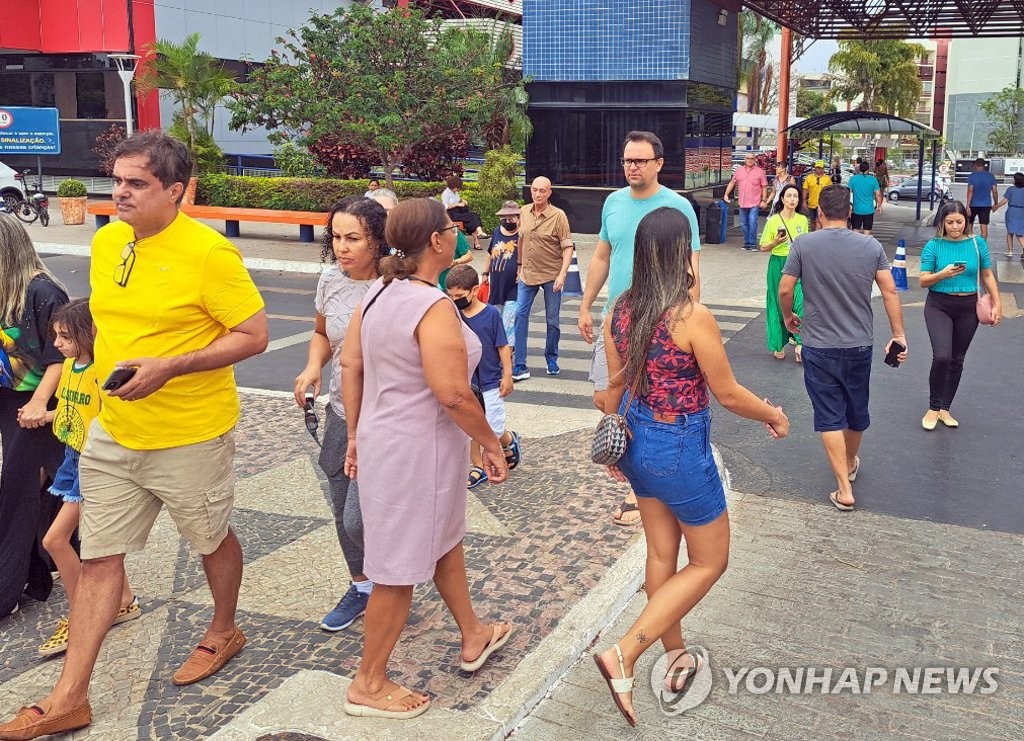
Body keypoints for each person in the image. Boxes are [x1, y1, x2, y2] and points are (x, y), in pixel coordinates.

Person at [0, 131, 268, 740]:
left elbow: (253, 335)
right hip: (113, 431)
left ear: (176, 191)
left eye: (136, 183)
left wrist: (169, 365)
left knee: (209, 538)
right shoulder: (108, 240)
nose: (120, 192)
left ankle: (224, 627)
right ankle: (70, 697)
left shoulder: (209, 255)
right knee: (97, 558)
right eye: (117, 179)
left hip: (189, 433)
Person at [592, 207, 789, 728]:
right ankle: (627, 652)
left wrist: (614, 439)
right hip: (678, 445)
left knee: (662, 552)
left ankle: (672, 651)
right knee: (709, 562)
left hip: (635, 436)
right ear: (681, 253)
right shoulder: (689, 315)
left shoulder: (622, 307)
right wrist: (773, 414)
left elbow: (615, 385)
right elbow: (726, 393)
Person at [340, 198, 511, 720]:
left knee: (442, 541)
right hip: (417, 451)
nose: (457, 235)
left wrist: (353, 434)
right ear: (437, 242)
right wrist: (492, 442)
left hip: (391, 441)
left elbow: (353, 362)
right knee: (396, 568)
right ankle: (368, 682)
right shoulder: (431, 306)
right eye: (450, 229)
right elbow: (454, 394)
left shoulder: (379, 291)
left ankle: (473, 633)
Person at [577, 130, 702, 528]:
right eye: (627, 160)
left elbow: (691, 267)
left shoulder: (678, 207)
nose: (632, 167)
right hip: (618, 319)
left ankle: (638, 484)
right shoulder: (613, 203)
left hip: (661, 323)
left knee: (644, 402)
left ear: (658, 164)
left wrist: (691, 320)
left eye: (640, 161)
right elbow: (601, 255)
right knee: (605, 397)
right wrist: (586, 304)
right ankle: (637, 467)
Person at [779, 185, 907, 512]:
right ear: (850, 213)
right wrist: (898, 335)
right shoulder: (870, 245)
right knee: (855, 410)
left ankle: (843, 488)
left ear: (819, 212)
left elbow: (784, 289)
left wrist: (788, 316)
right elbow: (890, 291)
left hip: (819, 345)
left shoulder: (804, 244)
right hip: (859, 344)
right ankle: (849, 461)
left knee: (829, 415)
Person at [294, 197, 388, 632]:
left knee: (359, 518)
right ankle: (363, 586)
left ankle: (394, 581)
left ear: (379, 240)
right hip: (339, 411)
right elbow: (320, 333)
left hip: (384, 418)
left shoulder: (395, 286)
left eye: (353, 238)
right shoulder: (331, 280)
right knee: (339, 506)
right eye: (336, 237)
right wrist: (314, 366)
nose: (342, 247)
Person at [39, 299, 140, 658]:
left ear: (88, 333)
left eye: (65, 336)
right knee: (97, 541)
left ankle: (82, 612)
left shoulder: (102, 371)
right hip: (70, 458)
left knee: (55, 540)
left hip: (92, 461)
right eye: (56, 336)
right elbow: (73, 409)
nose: (57, 343)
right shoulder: (70, 366)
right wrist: (47, 415)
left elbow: (111, 414)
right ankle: (123, 600)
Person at [0, 215, 68, 620]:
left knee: (19, 489)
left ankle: (7, 587)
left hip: (40, 403)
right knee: (43, 485)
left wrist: (40, 403)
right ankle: (46, 562)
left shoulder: (43, 292)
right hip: (10, 399)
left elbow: (61, 353)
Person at [918, 200, 1003, 431]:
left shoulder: (978, 243)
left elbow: (987, 275)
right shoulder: (933, 246)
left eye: (959, 222)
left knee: (957, 359)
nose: (955, 227)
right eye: (949, 222)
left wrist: (998, 303)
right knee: (942, 356)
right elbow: (923, 280)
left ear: (966, 221)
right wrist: (942, 274)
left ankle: (945, 407)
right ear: (942, 223)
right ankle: (933, 406)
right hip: (939, 305)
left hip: (968, 307)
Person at [445, 264, 521, 488]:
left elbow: (502, 346)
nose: (455, 300)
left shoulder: (490, 314)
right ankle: (478, 466)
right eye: (451, 296)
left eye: (459, 296)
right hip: (467, 383)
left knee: (493, 429)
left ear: (474, 290)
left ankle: (508, 440)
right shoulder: (453, 315)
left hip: (489, 382)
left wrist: (508, 375)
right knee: (469, 429)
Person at [511, 176, 574, 380]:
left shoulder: (558, 216)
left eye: (542, 191)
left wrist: (563, 274)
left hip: (551, 274)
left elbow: (567, 247)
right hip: (528, 274)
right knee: (520, 315)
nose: (538, 194)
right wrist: (519, 266)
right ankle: (519, 364)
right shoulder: (524, 211)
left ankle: (551, 358)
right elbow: (520, 240)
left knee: (552, 319)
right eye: (535, 190)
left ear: (549, 193)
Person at [759, 184, 808, 362]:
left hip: (797, 265)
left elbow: (805, 245)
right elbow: (763, 247)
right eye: (789, 196)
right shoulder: (773, 221)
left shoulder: (803, 220)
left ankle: (801, 342)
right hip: (777, 264)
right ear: (782, 199)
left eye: (795, 196)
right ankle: (778, 344)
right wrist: (775, 242)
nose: (792, 199)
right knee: (777, 303)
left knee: (800, 302)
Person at [483, 200, 521, 348]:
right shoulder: (497, 231)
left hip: (514, 285)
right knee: (495, 319)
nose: (508, 221)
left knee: (509, 321)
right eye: (505, 218)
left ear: (518, 217)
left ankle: (508, 353)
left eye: (511, 218)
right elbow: (489, 253)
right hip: (496, 284)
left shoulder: (522, 235)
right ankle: (497, 350)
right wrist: (485, 274)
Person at [723, 152, 769, 251]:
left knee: (752, 222)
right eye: (748, 158)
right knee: (743, 224)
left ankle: (752, 244)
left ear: (755, 159)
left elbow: (764, 186)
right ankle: (747, 242)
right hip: (742, 202)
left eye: (752, 158)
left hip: (754, 202)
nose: (750, 160)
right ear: (745, 159)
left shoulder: (760, 172)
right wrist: (726, 194)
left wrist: (764, 200)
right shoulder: (739, 171)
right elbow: (732, 182)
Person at [441, 176, 487, 248]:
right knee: (473, 216)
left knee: (473, 218)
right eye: (458, 187)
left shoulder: (455, 192)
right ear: (453, 186)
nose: (459, 189)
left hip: (460, 212)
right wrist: (457, 204)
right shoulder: (446, 194)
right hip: (453, 214)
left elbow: (458, 200)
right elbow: (445, 206)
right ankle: (479, 233)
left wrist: (463, 201)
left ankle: (477, 239)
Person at [966, 158, 1000, 241]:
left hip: (973, 204)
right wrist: (996, 203)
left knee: (969, 223)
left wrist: (967, 205)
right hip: (986, 205)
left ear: (975, 165)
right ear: (984, 165)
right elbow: (994, 191)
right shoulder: (990, 176)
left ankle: (971, 243)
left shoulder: (972, 176)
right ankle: (983, 245)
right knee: (984, 226)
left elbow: (970, 190)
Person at [994, 171, 1024, 258]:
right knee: (1019, 232)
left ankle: (1010, 251)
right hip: (1022, 212)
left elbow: (1004, 201)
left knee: (1010, 232)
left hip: (1012, 211)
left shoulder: (1011, 189)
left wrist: (996, 206)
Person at [848, 161, 883, 235]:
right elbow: (878, 194)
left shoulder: (853, 179)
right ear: (868, 169)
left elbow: (848, 193)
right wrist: (879, 206)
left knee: (855, 231)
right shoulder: (873, 179)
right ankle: (865, 246)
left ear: (860, 168)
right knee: (867, 231)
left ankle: (857, 246)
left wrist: (848, 206)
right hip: (869, 210)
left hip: (856, 210)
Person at [801, 160, 833, 231]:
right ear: (815, 168)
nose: (819, 169)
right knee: (812, 221)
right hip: (811, 203)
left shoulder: (827, 179)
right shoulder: (809, 177)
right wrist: (803, 201)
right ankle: (813, 233)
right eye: (817, 167)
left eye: (820, 168)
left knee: (819, 221)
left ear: (823, 168)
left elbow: (830, 190)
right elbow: (805, 189)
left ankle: (817, 235)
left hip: (822, 204)